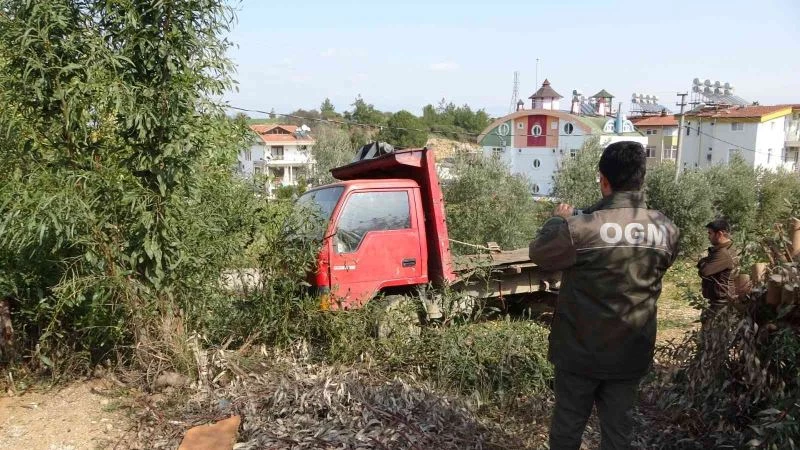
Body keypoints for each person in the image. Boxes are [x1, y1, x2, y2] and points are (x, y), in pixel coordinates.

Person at [529, 141, 680, 450]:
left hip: (579, 353)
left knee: (567, 430)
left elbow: (540, 254)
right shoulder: (667, 229)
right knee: (618, 433)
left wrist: (558, 219)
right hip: (630, 352)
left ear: (604, 180)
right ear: (642, 178)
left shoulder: (579, 228)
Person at [697, 219, 736, 321]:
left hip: (721, 305)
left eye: (710, 233)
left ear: (719, 234)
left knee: (714, 334)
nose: (708, 237)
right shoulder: (726, 249)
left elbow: (704, 271)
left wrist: (702, 262)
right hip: (721, 302)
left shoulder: (723, 253)